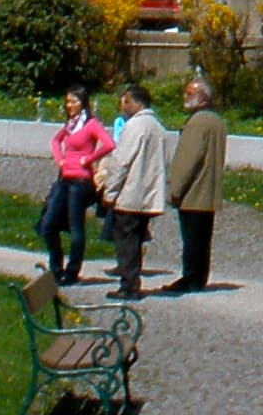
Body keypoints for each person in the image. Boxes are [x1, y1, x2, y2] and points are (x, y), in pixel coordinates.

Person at [94, 81, 170, 301]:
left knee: (125, 241)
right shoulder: (158, 127)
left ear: (136, 102)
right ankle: (133, 281)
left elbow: (121, 163)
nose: (122, 106)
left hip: (130, 194)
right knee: (136, 241)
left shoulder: (134, 127)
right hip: (147, 195)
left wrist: (109, 193)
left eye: (125, 101)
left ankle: (129, 286)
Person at [38, 89, 112, 285]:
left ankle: (72, 272)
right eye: (67, 102)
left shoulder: (91, 124)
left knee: (76, 227)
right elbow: (55, 140)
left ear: (82, 102)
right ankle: (56, 268)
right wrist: (60, 159)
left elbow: (109, 144)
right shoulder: (71, 125)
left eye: (73, 102)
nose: (69, 106)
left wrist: (88, 159)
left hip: (80, 182)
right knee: (48, 224)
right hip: (65, 178)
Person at [165, 75, 228, 293]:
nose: (185, 97)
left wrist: (175, 188)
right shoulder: (217, 121)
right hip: (208, 190)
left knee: (191, 240)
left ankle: (189, 278)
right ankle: (200, 277)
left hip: (193, 192)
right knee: (203, 240)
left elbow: (188, 158)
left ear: (202, 98)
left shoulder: (197, 123)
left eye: (189, 94)